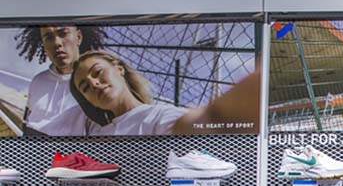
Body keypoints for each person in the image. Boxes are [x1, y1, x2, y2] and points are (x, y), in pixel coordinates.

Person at [37, 50, 259, 137]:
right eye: (85, 87)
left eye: (98, 72)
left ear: (119, 68)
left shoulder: (156, 116)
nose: (94, 84)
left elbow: (195, 124)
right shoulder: (91, 129)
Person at [16, 24, 106, 130]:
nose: (57, 43)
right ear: (44, 45)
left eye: (63, 33)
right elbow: (26, 123)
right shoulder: (38, 81)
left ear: (78, 37)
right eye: (49, 38)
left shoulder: (95, 83)